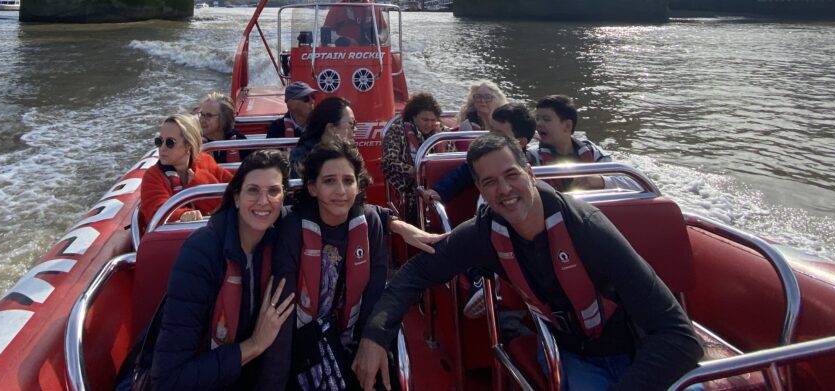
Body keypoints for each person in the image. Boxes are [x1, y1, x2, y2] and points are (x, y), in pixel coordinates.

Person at [352, 134, 703, 391]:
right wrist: (374, 335)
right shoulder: (484, 234)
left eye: (511, 175)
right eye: (490, 182)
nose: (504, 190)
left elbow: (679, 336)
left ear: (531, 174)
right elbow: (415, 273)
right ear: (480, 191)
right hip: (576, 356)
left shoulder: (587, 229)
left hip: (642, 351)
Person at [258, 141, 445, 390]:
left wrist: (372, 343)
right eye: (329, 181)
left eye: (348, 181)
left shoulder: (370, 224)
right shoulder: (292, 228)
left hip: (354, 338)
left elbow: (374, 297)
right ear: (312, 187)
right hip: (303, 344)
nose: (341, 190)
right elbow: (282, 315)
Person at [149, 150, 297, 391]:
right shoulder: (200, 255)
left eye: (273, 191)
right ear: (236, 198)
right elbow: (168, 380)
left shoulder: (282, 239)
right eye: (253, 190)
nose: (263, 201)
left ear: (283, 199)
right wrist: (255, 345)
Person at [141, 113, 234, 225]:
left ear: (188, 146)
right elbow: (157, 212)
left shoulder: (205, 161)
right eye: (159, 141)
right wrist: (183, 215)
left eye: (170, 142)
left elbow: (233, 190)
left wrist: (198, 183)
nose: (162, 148)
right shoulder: (152, 176)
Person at [527, 95, 625, 191]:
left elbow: (632, 182)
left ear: (567, 126)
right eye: (537, 119)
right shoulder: (532, 157)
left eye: (546, 119)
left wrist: (601, 181)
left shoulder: (593, 152)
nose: (538, 124)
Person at [380, 92, 443, 223]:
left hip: (438, 186)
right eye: (425, 120)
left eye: (433, 120)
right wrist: (416, 172)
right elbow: (389, 162)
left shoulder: (441, 134)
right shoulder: (397, 130)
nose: (429, 124)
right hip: (408, 190)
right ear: (413, 117)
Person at [289, 96, 357, 177]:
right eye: (351, 124)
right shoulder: (300, 160)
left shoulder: (350, 155)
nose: (355, 129)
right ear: (331, 128)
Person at [323, 0, 388, 46]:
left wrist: (378, 39)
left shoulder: (374, 8)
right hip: (342, 53)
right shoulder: (337, 8)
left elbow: (384, 31)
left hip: (370, 52)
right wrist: (344, 40)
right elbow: (326, 32)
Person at [199, 92, 250, 164]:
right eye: (202, 114)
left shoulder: (240, 142)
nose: (202, 120)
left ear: (224, 118)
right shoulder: (195, 142)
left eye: (209, 115)